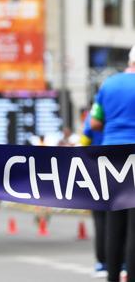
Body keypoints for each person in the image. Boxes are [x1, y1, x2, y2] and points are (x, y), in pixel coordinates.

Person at [90, 45, 135, 282]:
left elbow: (95, 123)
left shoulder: (109, 84)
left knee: (114, 221)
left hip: (111, 157)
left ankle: (113, 275)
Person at [81, 106, 107, 278]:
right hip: (124, 169)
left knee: (100, 219)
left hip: (97, 173)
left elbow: (84, 142)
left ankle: (102, 263)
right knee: (125, 219)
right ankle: (126, 262)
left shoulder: (95, 113)